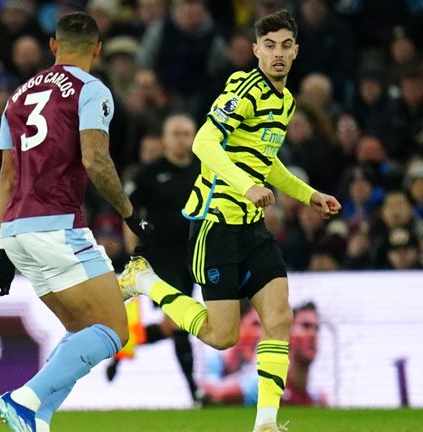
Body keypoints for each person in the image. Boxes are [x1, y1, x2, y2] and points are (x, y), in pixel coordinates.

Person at [117, 10, 341, 432]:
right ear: (256, 50)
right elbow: (204, 141)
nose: (277, 53)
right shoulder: (244, 89)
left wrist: (308, 194)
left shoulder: (286, 102)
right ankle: (144, 281)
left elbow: (267, 163)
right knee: (222, 336)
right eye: (269, 45)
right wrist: (244, 186)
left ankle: (267, 424)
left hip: (253, 227)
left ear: (296, 52)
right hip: (215, 223)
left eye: (285, 46)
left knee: (279, 318)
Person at [0, 12, 154, 432]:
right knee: (114, 329)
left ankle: (38, 419)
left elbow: (6, 176)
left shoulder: (17, 96)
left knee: (83, 330)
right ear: (98, 48)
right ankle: (24, 400)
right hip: (56, 224)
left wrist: (3, 246)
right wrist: (130, 215)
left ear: (53, 46)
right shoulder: (91, 89)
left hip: (18, 230)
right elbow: (95, 159)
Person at [106, 114, 204, 405]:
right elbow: (129, 213)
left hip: (196, 256)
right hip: (161, 258)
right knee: (178, 321)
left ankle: (121, 351)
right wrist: (133, 253)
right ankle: (194, 391)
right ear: (165, 138)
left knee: (171, 325)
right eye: (176, 133)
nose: (182, 139)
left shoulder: (204, 170)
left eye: (187, 133)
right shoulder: (149, 173)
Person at [283, 301, 328, 406]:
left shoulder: (318, 402)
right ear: (287, 334)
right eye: (306, 326)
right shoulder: (262, 388)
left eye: (316, 328)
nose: (313, 334)